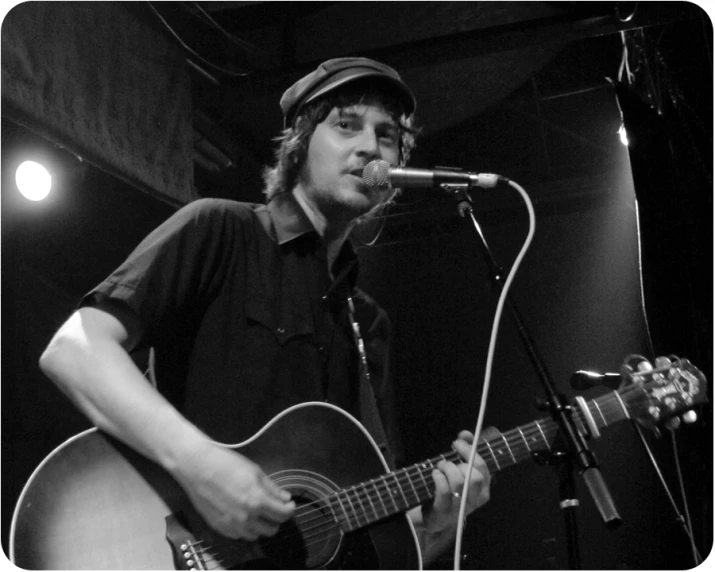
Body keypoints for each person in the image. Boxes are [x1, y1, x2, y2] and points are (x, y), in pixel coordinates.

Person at [39, 57, 491, 566]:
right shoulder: (219, 230)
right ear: (299, 141)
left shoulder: (370, 324)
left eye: (387, 136)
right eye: (347, 125)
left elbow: (364, 535)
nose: (370, 146)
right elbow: (74, 349)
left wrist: (435, 531)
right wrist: (199, 464)